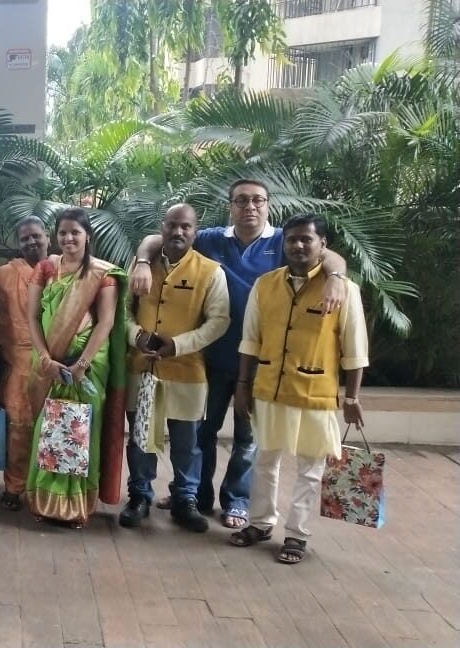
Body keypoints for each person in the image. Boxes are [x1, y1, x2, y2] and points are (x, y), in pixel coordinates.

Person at [130, 179, 349, 529]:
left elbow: (327, 254)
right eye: (242, 200)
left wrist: (336, 275)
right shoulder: (212, 238)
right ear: (230, 206)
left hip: (263, 361)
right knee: (203, 433)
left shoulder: (284, 241)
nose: (250, 207)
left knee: (247, 440)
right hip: (214, 358)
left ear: (268, 205)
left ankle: (237, 500)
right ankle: (195, 498)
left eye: (258, 200)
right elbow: (163, 236)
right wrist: (142, 261)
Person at [229, 214, 368, 564]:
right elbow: (250, 340)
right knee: (264, 460)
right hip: (269, 388)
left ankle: (297, 534)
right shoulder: (265, 285)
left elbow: (355, 349)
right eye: (292, 239)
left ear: (323, 245)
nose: (298, 245)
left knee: (310, 468)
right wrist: (243, 385)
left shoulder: (344, 290)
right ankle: (260, 523)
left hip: (315, 392)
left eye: (307, 239)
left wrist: (352, 397)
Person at [119, 205, 230, 532]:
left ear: (195, 231)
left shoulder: (211, 272)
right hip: (143, 368)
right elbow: (123, 312)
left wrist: (178, 345)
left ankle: (185, 499)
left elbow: (219, 321)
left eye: (185, 226)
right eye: (172, 225)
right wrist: (137, 336)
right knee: (141, 438)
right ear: (162, 227)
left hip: (187, 371)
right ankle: (139, 495)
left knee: (187, 443)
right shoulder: (141, 266)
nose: (178, 232)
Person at [24, 208, 128, 527]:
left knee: (80, 434)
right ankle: (45, 503)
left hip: (86, 365)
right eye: (63, 233)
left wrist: (81, 365)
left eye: (75, 233)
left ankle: (76, 507)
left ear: (87, 237)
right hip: (49, 363)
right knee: (48, 432)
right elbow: (32, 317)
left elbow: (106, 322)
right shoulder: (45, 269)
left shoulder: (102, 274)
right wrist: (45, 358)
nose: (68, 238)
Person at [0, 216, 50, 511]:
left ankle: (47, 487)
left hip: (54, 362)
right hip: (17, 363)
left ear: (47, 237)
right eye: (25, 238)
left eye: (36, 235)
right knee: (18, 427)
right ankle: (14, 486)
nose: (31, 241)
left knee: (53, 425)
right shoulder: (5, 274)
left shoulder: (62, 270)